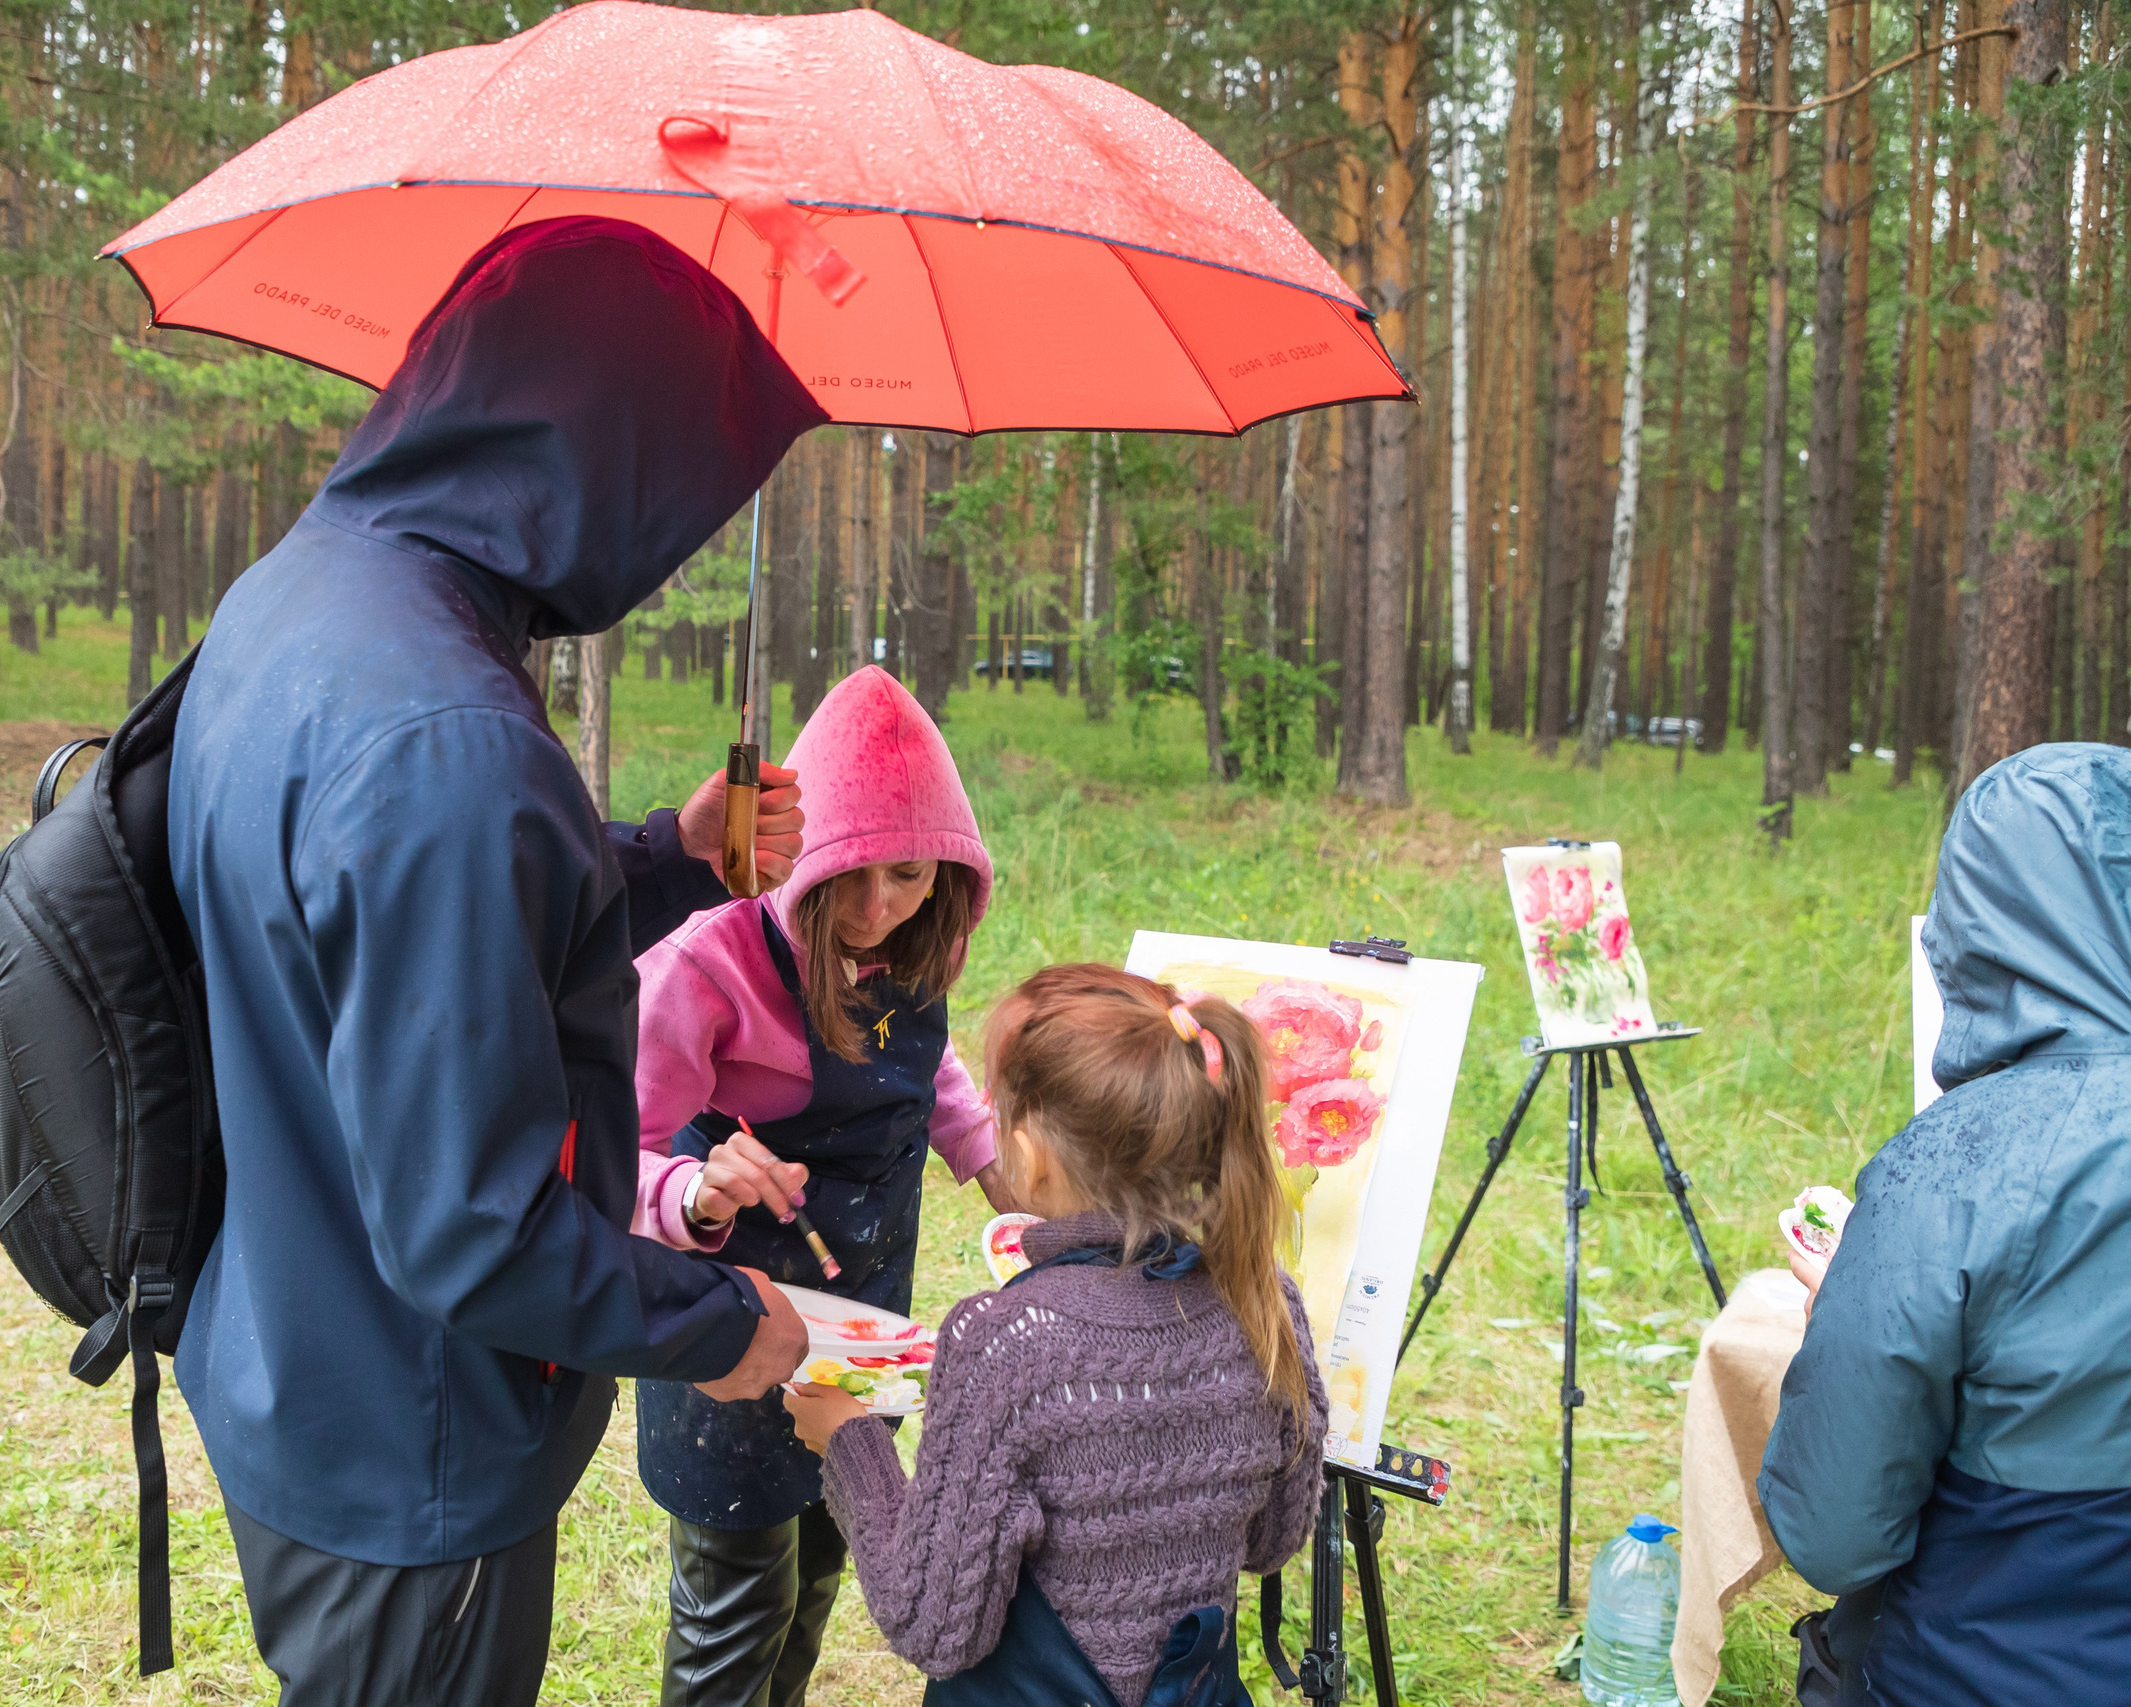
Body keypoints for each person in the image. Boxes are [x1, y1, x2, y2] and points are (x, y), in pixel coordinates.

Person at [164, 216, 828, 1707]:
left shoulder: (309, 596)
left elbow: (421, 925)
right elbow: (473, 1230)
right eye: (678, 482)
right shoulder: (449, 736)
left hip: (289, 1337)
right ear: (597, 457)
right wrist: (719, 1322)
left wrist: (667, 847)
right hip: (411, 1432)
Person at [782, 965, 1330, 1707]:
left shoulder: (1009, 1345)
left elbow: (934, 1625)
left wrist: (850, 1441)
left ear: (1031, 1148)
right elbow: (1273, 1539)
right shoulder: (1268, 1302)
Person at [628, 663, 1014, 1707]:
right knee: (735, 1606)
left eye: (910, 877)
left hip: (865, 1306)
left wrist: (991, 1164)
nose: (876, 911)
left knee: (830, 1554)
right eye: (851, 876)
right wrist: (693, 1187)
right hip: (729, 1326)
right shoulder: (706, 963)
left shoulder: (911, 945)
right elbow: (602, 1152)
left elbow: (922, 1066)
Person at [1759, 742, 2131, 1707]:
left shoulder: (1949, 1169)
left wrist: (1847, 1301)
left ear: (1970, 926)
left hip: (1989, 1668)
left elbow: (1836, 1531)